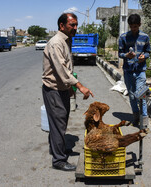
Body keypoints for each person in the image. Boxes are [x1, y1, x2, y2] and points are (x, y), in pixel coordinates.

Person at [42, 13, 94, 171]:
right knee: (58, 124)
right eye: (72, 25)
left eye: (76, 24)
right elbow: (62, 70)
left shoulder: (66, 40)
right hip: (54, 90)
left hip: (62, 89)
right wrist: (79, 86)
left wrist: (70, 90)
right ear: (61, 26)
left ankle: (58, 149)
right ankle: (58, 160)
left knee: (60, 122)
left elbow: (67, 69)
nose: (75, 28)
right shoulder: (56, 43)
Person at [118, 13, 151, 127]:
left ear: (139, 25)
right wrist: (126, 55)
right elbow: (120, 53)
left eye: (135, 27)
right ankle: (136, 117)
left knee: (141, 95)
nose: (133, 29)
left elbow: (148, 51)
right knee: (132, 96)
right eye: (131, 27)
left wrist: (144, 57)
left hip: (140, 71)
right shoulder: (123, 37)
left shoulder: (145, 37)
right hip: (128, 71)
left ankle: (144, 122)